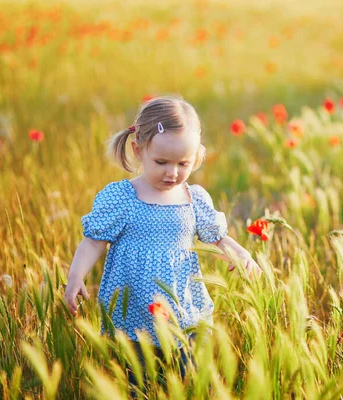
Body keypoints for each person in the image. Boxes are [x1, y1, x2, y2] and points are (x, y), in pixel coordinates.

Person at [64, 95, 261, 395]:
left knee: (185, 378)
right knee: (137, 383)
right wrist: (76, 276)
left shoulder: (194, 200)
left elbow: (217, 237)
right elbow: (93, 242)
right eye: (161, 162)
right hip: (133, 315)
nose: (172, 173)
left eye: (183, 163)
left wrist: (240, 253)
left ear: (195, 158)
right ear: (138, 150)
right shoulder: (122, 198)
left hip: (183, 311)